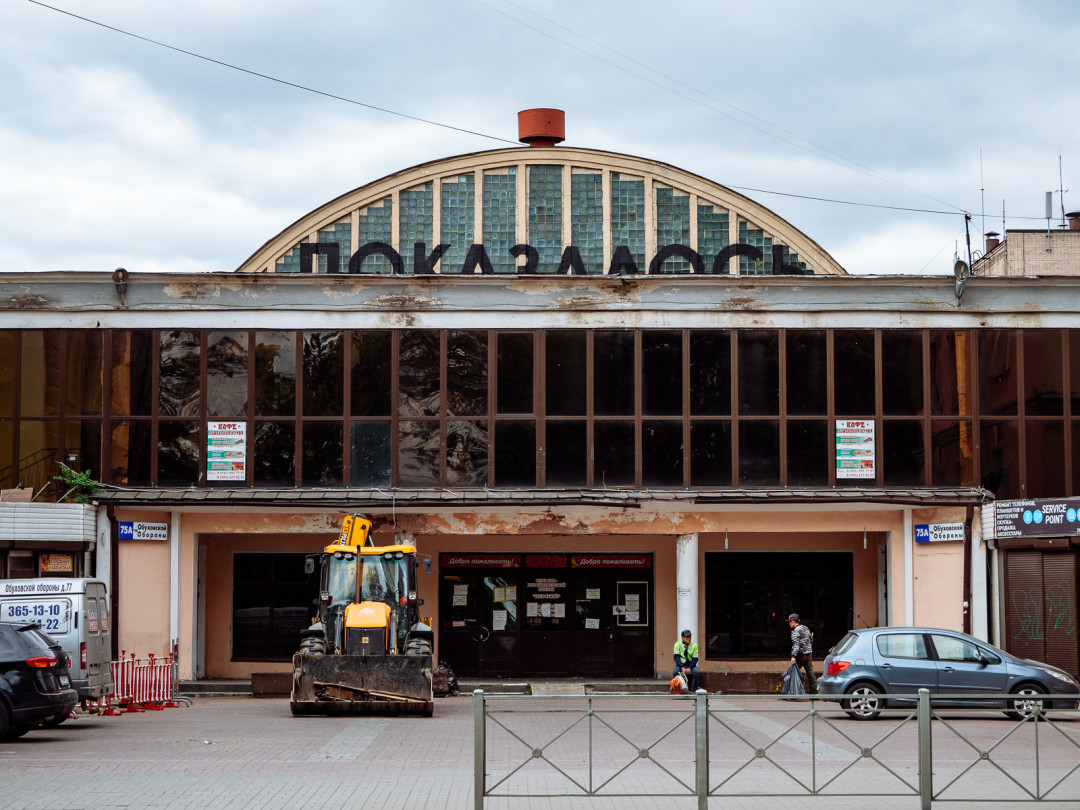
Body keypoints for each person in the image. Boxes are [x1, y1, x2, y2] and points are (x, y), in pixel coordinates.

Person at [787, 613, 816, 694]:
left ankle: (793, 692)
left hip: (800, 655)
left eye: (789, 622)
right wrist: (808, 648)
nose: (789, 624)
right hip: (808, 653)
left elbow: (796, 645)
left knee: (793, 672)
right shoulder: (806, 628)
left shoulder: (795, 631)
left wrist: (793, 656)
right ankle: (814, 692)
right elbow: (811, 640)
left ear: (793, 621)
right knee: (810, 673)